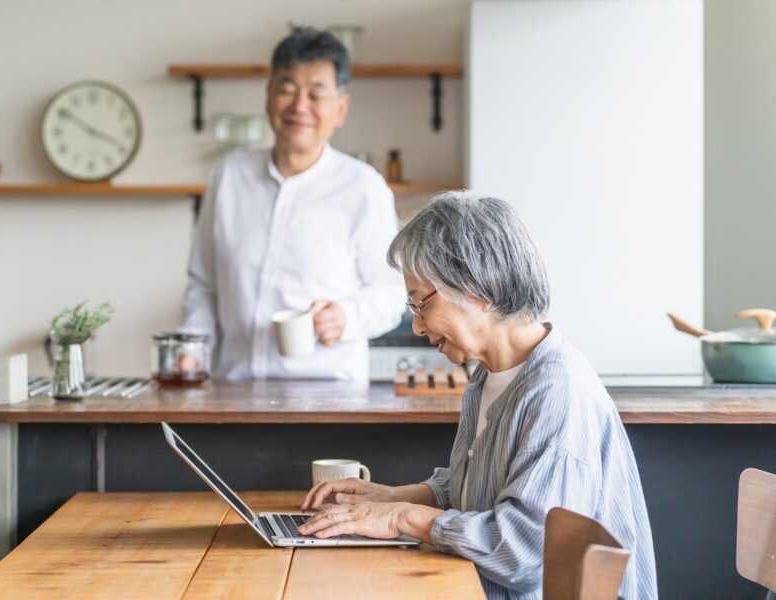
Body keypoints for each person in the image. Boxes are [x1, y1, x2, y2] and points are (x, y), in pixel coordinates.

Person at [298, 192, 657, 599]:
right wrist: (393, 497)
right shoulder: (490, 376)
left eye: (420, 303)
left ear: (481, 289)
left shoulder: (558, 394)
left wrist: (400, 516)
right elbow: (484, 488)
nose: (416, 326)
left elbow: (523, 553)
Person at [178, 27, 404, 381]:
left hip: (327, 396)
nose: (299, 106)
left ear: (340, 108)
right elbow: (203, 286)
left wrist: (347, 316)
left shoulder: (363, 187)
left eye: (316, 94)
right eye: (286, 90)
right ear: (268, 96)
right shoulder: (229, 176)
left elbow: (392, 293)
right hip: (232, 392)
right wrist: (192, 350)